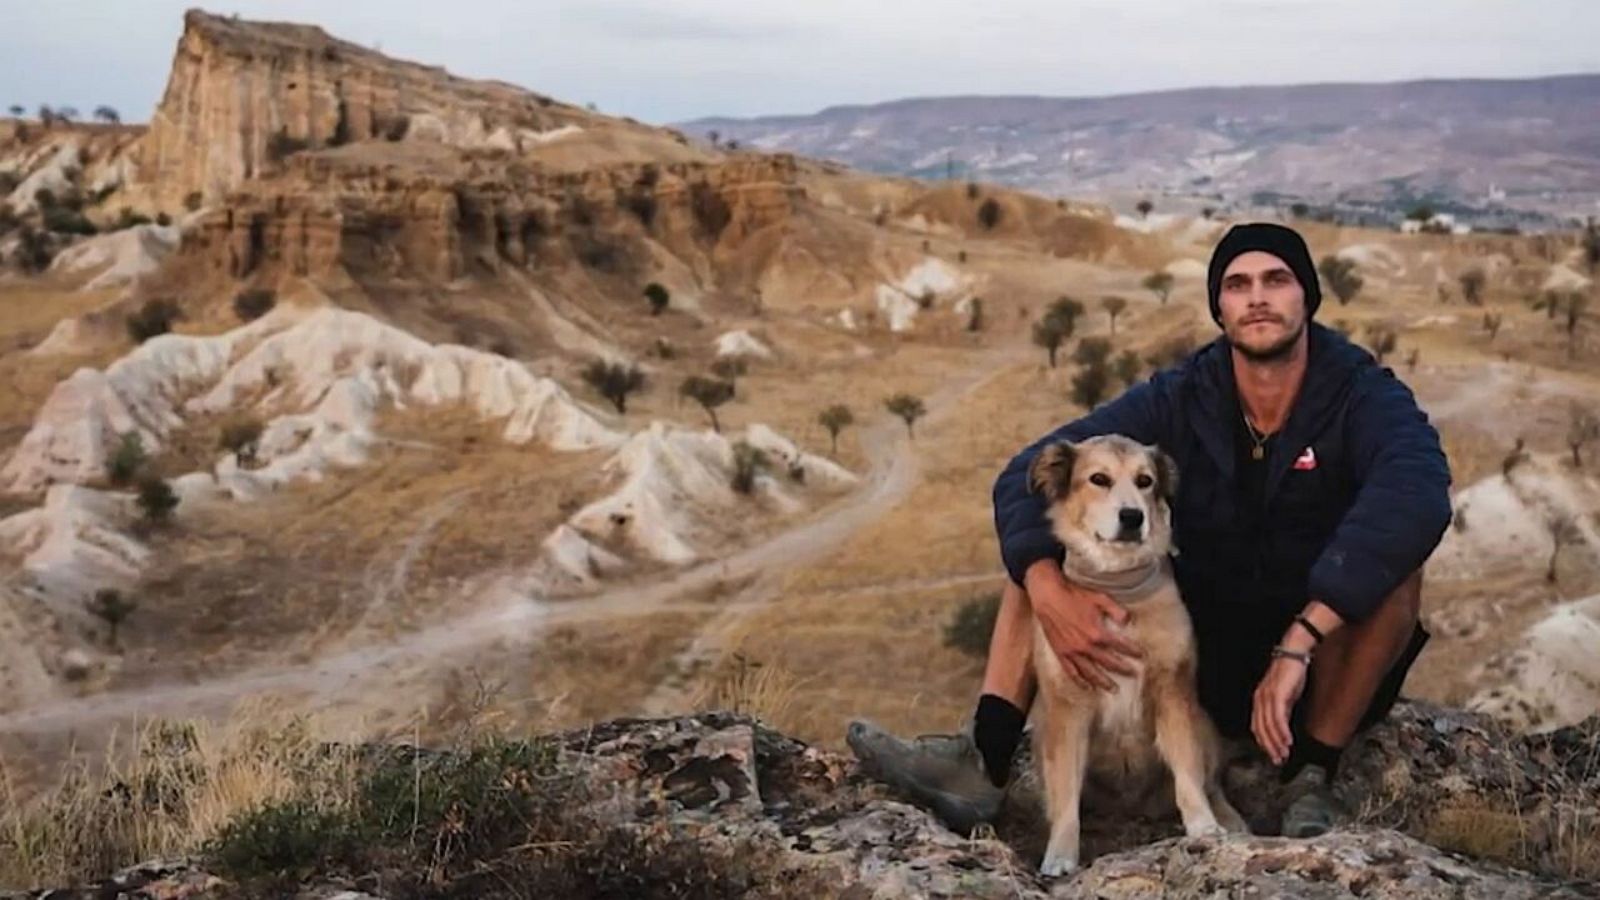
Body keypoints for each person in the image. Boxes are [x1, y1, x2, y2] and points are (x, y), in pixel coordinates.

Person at [847, 222, 1452, 838]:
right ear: (1220, 306)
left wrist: (1302, 638)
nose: (1258, 297)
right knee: (1047, 543)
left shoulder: (1361, 394)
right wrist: (1049, 594)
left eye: (1277, 280)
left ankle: (1312, 776)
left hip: (1316, 668)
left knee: (1397, 571)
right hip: (1198, 663)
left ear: (1308, 297)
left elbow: (1419, 493)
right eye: (1238, 285)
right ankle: (986, 760)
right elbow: (1026, 476)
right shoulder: (1184, 395)